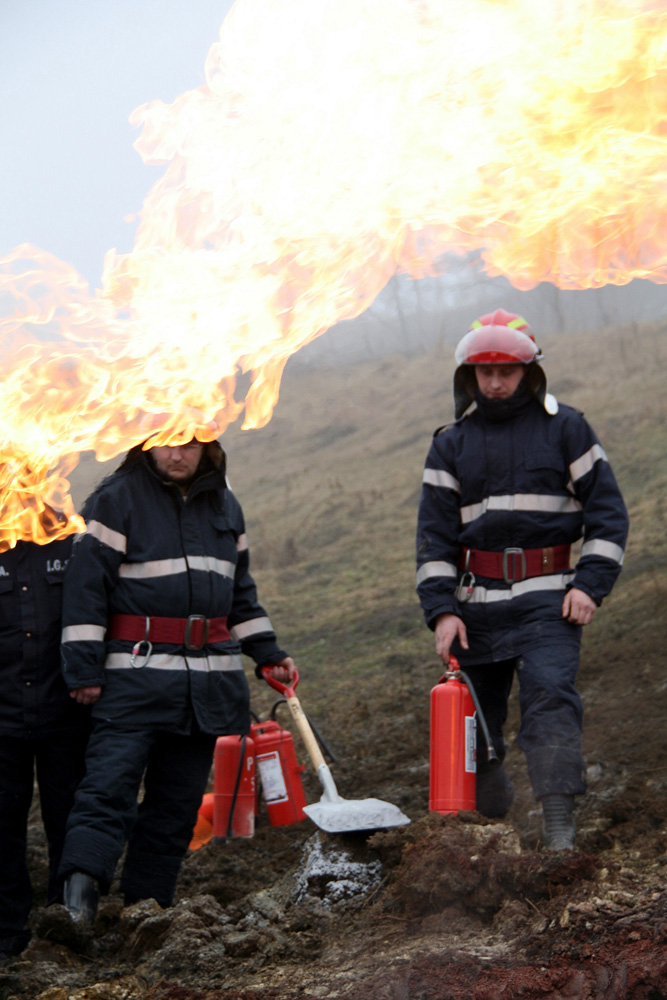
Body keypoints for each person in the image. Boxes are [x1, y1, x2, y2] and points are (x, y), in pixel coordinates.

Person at [58, 436, 296, 923]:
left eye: (188, 445)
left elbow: (240, 595)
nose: (176, 455)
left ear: (207, 448)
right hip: (132, 684)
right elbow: (85, 590)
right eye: (165, 444)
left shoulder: (227, 506)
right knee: (106, 792)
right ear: (146, 446)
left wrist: (269, 653)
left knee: (175, 808)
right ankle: (75, 909)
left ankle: (147, 912)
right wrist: (82, 669)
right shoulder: (115, 499)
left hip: (204, 693)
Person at [416, 309, 629, 850]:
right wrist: (442, 611)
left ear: (529, 371)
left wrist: (589, 584)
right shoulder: (449, 445)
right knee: (475, 726)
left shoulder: (568, 428)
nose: (495, 382)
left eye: (506, 371)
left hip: (547, 603)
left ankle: (558, 824)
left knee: (550, 700)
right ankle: (489, 826)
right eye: (484, 372)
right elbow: (434, 541)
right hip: (474, 609)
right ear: (468, 377)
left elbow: (608, 515)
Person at [0, 530, 90, 960]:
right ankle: (6, 931)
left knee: (69, 821)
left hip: (66, 719)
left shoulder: (72, 542)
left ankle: (66, 922)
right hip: (2, 721)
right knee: (2, 828)